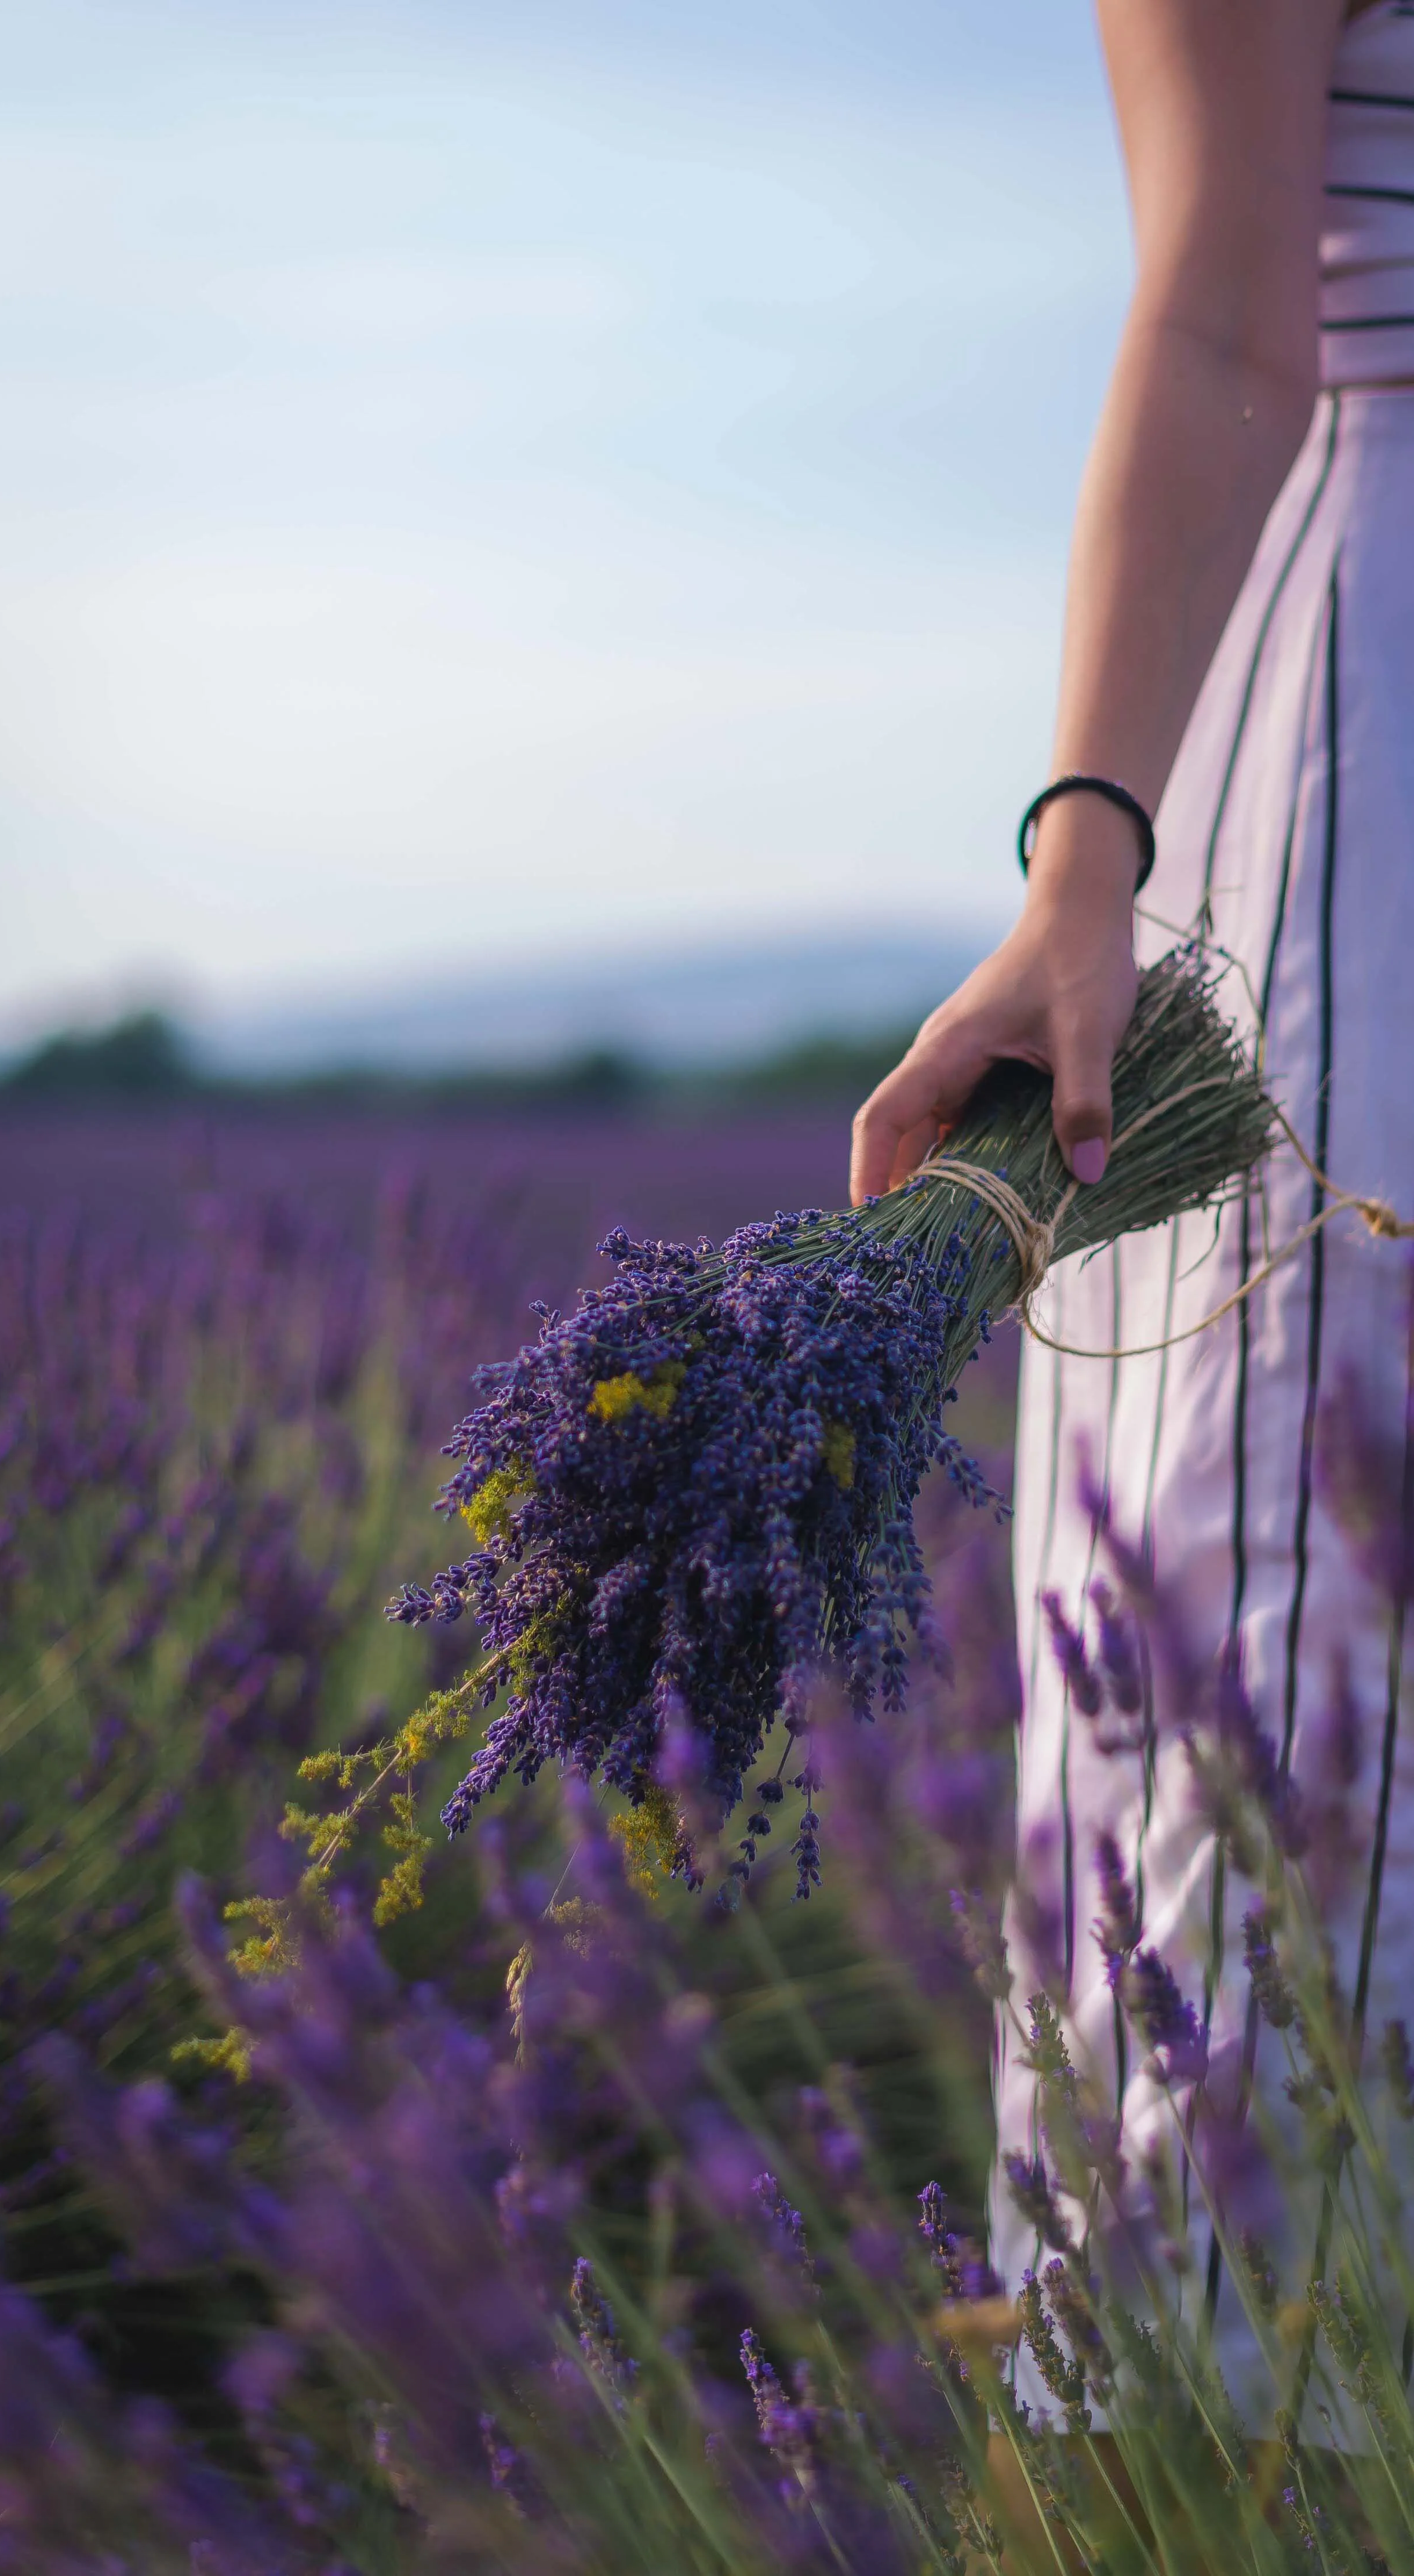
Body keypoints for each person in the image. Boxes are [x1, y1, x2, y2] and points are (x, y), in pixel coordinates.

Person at [851, 0, 1414, 2476]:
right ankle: (1209, 2486)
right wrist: (1085, 859)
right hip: (1379, 755)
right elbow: (1220, 316)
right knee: (1291, 1660)